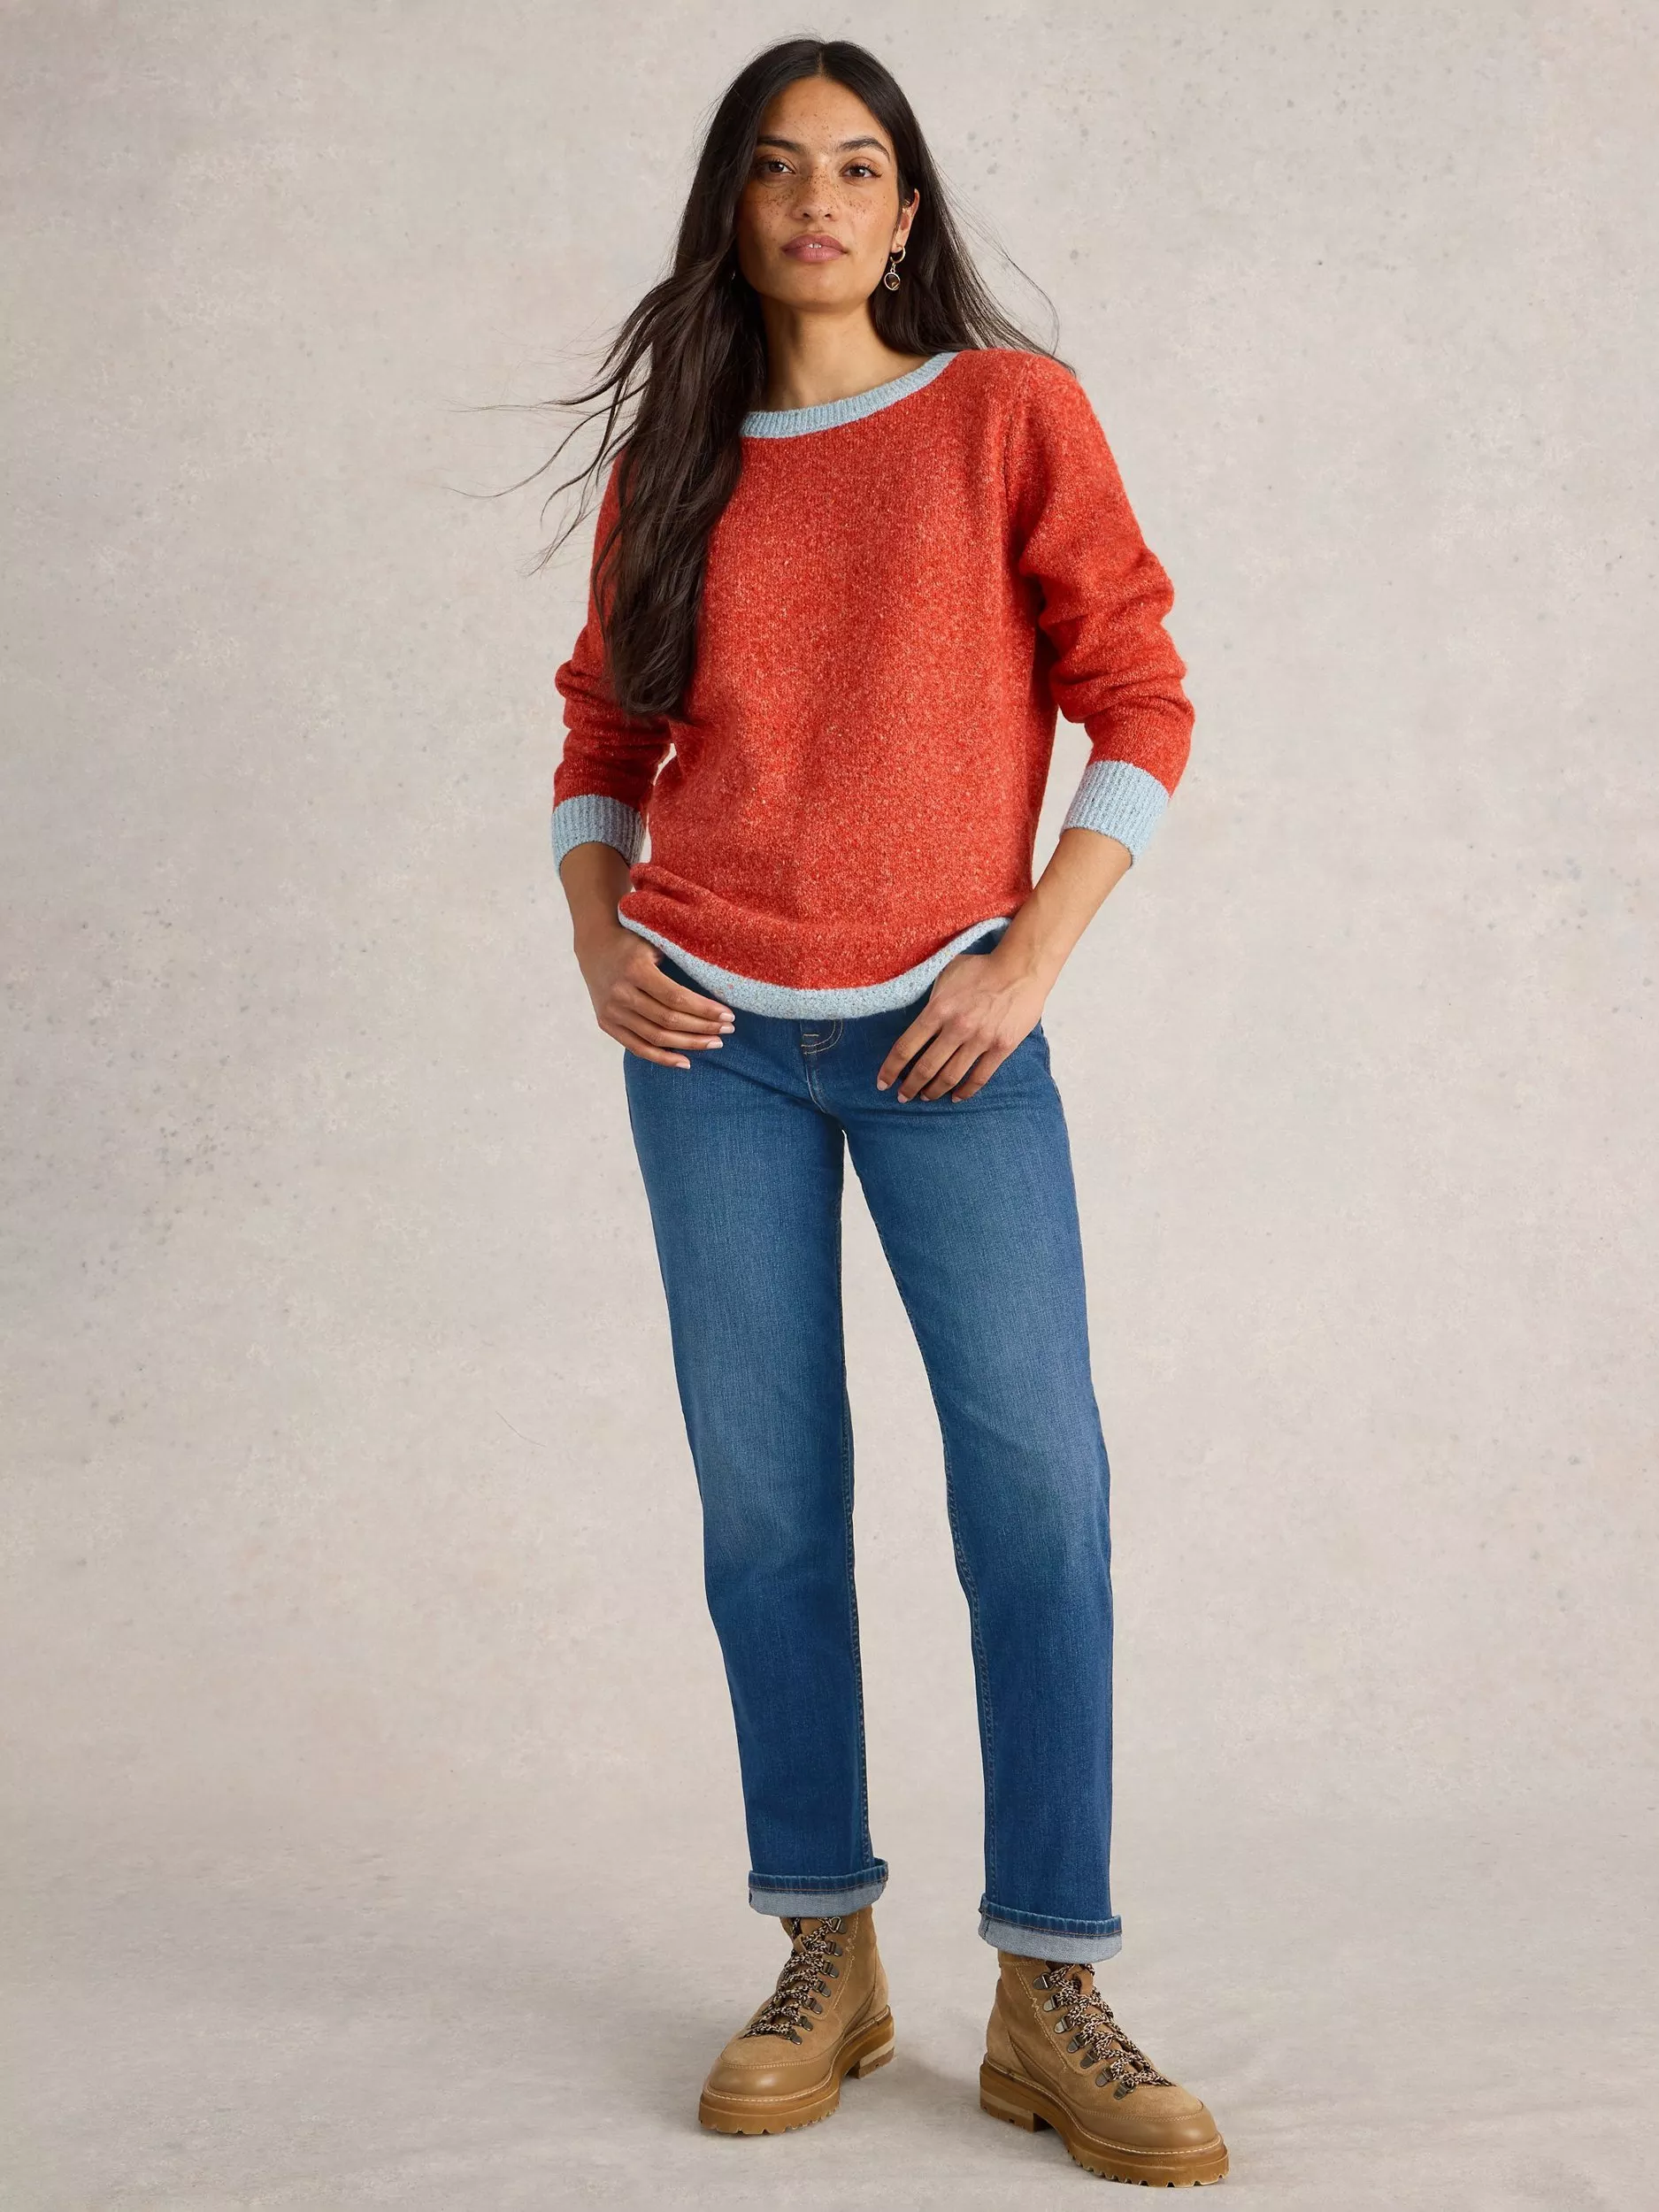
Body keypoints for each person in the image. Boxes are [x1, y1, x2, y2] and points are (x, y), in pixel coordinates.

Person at [547, 35, 1229, 2190]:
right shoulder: (675, 464)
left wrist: (1027, 959)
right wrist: (597, 940)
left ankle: (1049, 1980)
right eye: (778, 168)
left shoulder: (1009, 415)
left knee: (1038, 1490)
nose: (818, 201)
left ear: (906, 209)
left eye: (857, 167)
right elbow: (599, 739)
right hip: (709, 1043)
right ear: (733, 209)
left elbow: (1140, 695)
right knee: (767, 1504)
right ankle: (821, 1950)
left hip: (953, 1039)